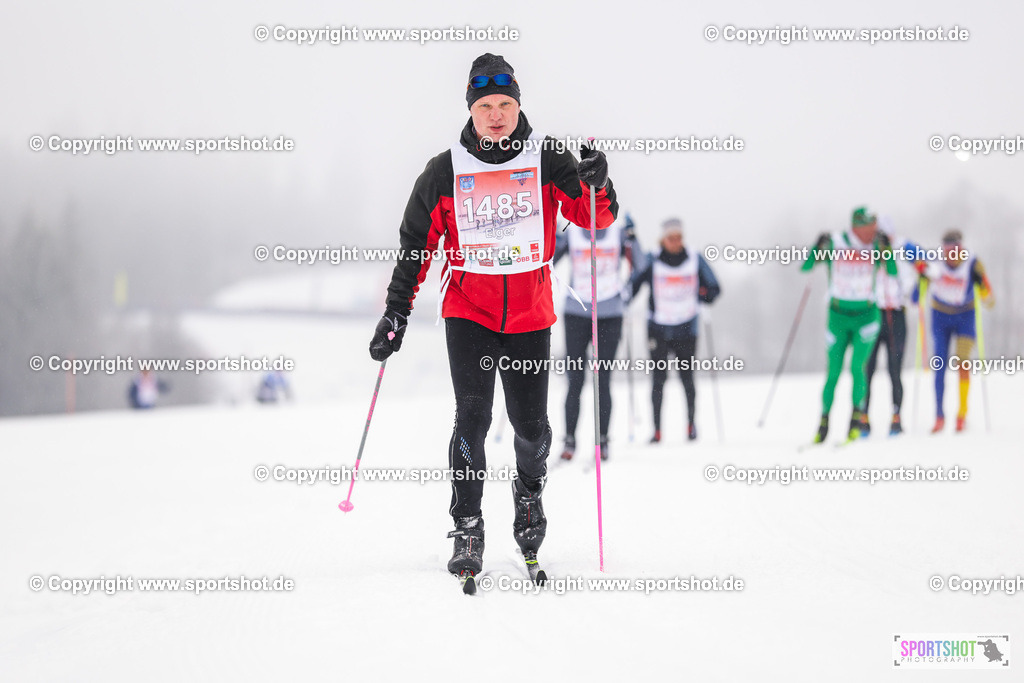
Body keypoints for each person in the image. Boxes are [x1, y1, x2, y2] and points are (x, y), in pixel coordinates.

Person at [367, 54, 617, 583]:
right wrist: (396, 312)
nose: (497, 115)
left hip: (529, 314)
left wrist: (599, 182)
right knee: (473, 420)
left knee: (533, 431)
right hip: (470, 313)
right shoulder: (444, 170)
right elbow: (417, 245)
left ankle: (528, 498)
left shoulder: (547, 157)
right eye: (485, 106)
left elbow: (594, 217)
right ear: (471, 110)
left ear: (518, 104)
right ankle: (468, 523)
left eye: (505, 104)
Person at [802, 206, 897, 443]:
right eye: (870, 228)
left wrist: (887, 250)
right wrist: (818, 245)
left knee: (857, 368)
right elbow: (807, 266)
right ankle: (823, 421)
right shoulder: (836, 242)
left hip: (866, 316)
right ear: (857, 226)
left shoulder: (876, 245)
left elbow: (892, 271)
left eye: (876, 229)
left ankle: (857, 418)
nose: (874, 233)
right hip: (837, 317)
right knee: (833, 372)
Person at [552, 212, 642, 461]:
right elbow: (549, 259)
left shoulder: (617, 233)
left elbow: (641, 265)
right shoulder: (571, 233)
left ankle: (602, 440)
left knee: (602, 380)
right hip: (577, 313)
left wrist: (633, 239)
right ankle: (569, 440)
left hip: (610, 313)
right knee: (575, 380)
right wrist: (553, 233)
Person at [629, 218, 720, 443]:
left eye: (678, 237)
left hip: (686, 328)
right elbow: (634, 284)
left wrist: (702, 295)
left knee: (687, 379)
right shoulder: (652, 260)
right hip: (658, 329)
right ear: (663, 239)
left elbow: (714, 289)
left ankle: (691, 425)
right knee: (658, 380)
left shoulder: (694, 258)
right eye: (671, 238)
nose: (675, 242)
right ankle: (657, 430)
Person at [919, 229, 994, 433]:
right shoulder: (934, 264)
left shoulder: (973, 264)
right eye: (947, 250)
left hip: (965, 317)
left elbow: (990, 301)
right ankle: (939, 415)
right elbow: (917, 295)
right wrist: (921, 276)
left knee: (962, 361)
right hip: (940, 316)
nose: (951, 255)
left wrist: (981, 282)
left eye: (955, 249)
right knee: (939, 364)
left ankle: (961, 414)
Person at [863, 216, 923, 436]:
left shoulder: (902, 248)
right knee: (866, 369)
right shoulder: (866, 253)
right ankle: (863, 417)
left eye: (883, 237)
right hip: (871, 316)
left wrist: (919, 281)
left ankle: (896, 417)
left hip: (895, 315)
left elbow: (928, 268)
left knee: (894, 370)